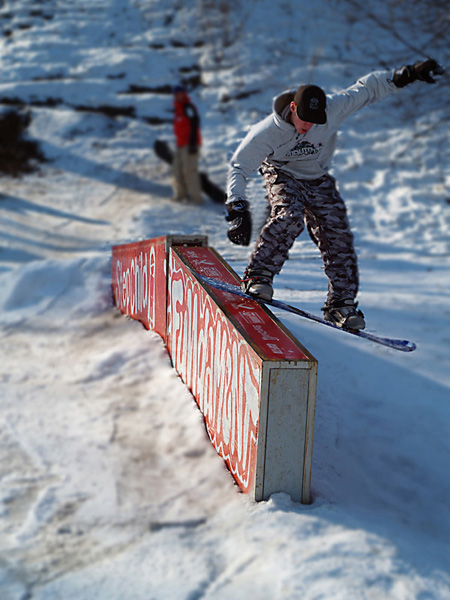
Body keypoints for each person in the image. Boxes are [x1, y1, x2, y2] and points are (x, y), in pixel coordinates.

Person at [225, 58, 444, 330]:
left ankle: (341, 304)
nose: (307, 127)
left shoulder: (335, 108)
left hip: (316, 177)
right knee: (289, 215)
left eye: (314, 123)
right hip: (281, 172)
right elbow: (239, 167)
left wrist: (407, 74)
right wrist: (237, 208)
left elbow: (367, 89)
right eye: (303, 121)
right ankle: (258, 275)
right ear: (292, 108)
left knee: (338, 233)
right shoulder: (267, 132)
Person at [172, 85, 202, 205]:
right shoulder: (178, 109)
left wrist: (193, 144)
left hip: (190, 144)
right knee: (176, 170)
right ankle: (180, 195)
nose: (178, 96)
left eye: (180, 93)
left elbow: (195, 124)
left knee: (189, 171)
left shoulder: (187, 107)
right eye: (176, 94)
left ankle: (196, 199)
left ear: (184, 94)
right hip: (180, 145)